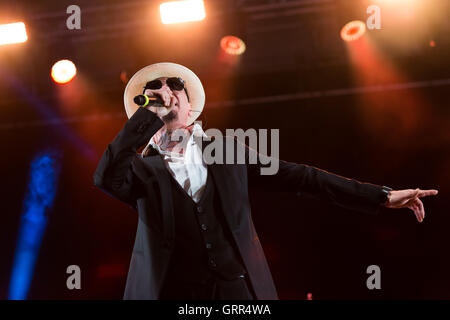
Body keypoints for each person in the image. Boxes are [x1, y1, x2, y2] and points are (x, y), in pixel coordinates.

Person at [93, 62, 438, 300]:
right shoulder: (139, 168)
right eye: (156, 87)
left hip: (237, 290)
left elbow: (302, 177)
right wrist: (146, 119)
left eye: (175, 85)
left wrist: (380, 196)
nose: (166, 90)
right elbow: (106, 177)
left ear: (190, 106)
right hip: (173, 292)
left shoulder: (226, 150)